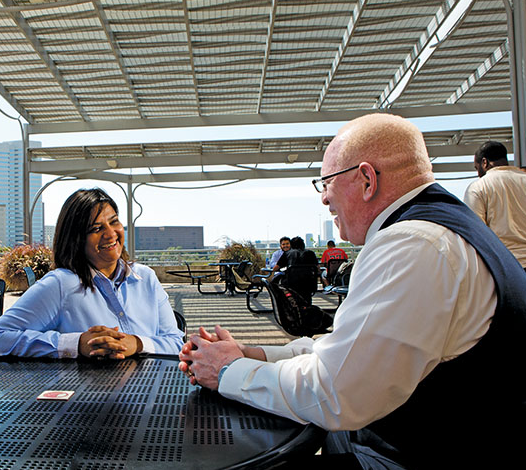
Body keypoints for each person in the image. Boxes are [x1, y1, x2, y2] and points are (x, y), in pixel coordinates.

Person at [179, 114, 526, 469]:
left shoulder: (411, 245)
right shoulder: (441, 229)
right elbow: (350, 351)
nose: (324, 199)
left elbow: (334, 395)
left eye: (326, 182)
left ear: (366, 179)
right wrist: (252, 353)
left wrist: (227, 371)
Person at [0, 188, 184, 359]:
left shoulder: (146, 278)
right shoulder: (60, 284)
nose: (111, 234)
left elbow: (176, 343)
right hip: (85, 397)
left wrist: (138, 344)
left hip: (147, 395)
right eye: (96, 228)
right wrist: (75, 343)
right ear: (76, 239)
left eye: (113, 222)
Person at [464, 140, 526, 270]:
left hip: (506, 267)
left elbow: (476, 233)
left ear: (484, 162)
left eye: (477, 168)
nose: (478, 174)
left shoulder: (478, 187)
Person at [272, 236, 320, 303]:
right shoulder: (311, 253)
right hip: (309, 284)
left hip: (291, 284)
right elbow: (317, 268)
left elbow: (276, 267)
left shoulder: (288, 253)